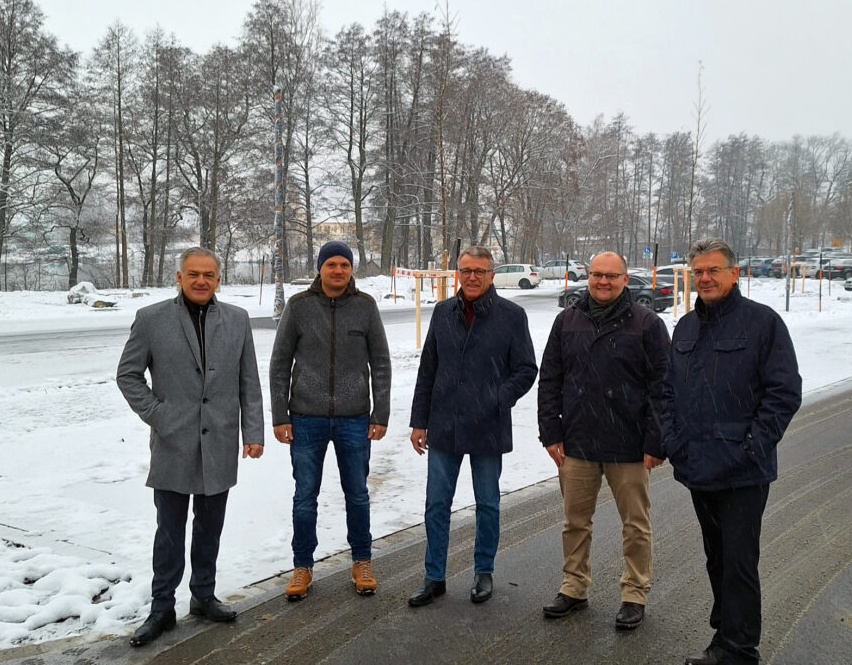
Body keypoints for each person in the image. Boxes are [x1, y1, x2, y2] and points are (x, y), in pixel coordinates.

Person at [656, 238, 801, 665]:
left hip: (744, 473)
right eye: (698, 271)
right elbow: (667, 393)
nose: (705, 278)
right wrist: (674, 442)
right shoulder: (685, 327)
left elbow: (784, 392)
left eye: (714, 270)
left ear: (734, 274)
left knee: (739, 563)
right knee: (716, 558)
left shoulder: (762, 324)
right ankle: (722, 639)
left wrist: (753, 445)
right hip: (698, 466)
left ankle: (741, 660)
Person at [117, 246, 265, 647]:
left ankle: (203, 595)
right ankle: (162, 607)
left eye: (209, 275)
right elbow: (128, 375)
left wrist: (253, 432)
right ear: (179, 277)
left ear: (218, 279)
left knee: (210, 527)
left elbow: (248, 382)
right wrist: (160, 416)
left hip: (220, 441)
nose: (201, 281)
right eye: (193, 274)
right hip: (173, 443)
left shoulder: (237, 320)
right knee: (169, 531)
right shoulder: (151, 319)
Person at [538, 251, 669, 630]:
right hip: (577, 441)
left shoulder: (647, 324)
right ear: (588, 277)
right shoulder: (567, 321)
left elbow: (663, 387)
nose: (603, 282)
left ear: (625, 280)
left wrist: (656, 440)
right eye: (597, 274)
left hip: (630, 445)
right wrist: (550, 431)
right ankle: (574, 586)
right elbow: (550, 380)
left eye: (612, 276)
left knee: (635, 524)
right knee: (574, 522)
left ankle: (634, 593)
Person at [407, 246, 537, 607]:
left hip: (488, 426)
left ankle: (484, 571)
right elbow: (428, 369)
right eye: (466, 270)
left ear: (492, 275)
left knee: (487, 504)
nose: (472, 277)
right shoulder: (442, 313)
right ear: (458, 274)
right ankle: (434, 577)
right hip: (444, 424)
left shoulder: (511, 316)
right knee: (436, 504)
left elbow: (526, 369)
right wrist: (418, 421)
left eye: (480, 271)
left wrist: (497, 397)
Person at [269, 241, 391, 600]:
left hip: (355, 418)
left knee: (358, 494)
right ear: (320, 268)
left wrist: (380, 413)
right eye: (331, 264)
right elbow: (279, 364)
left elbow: (381, 363)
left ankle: (362, 561)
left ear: (351, 269)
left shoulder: (365, 307)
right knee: (305, 496)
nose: (338, 271)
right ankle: (302, 566)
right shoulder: (299, 307)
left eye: (344, 265)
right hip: (306, 417)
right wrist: (280, 415)